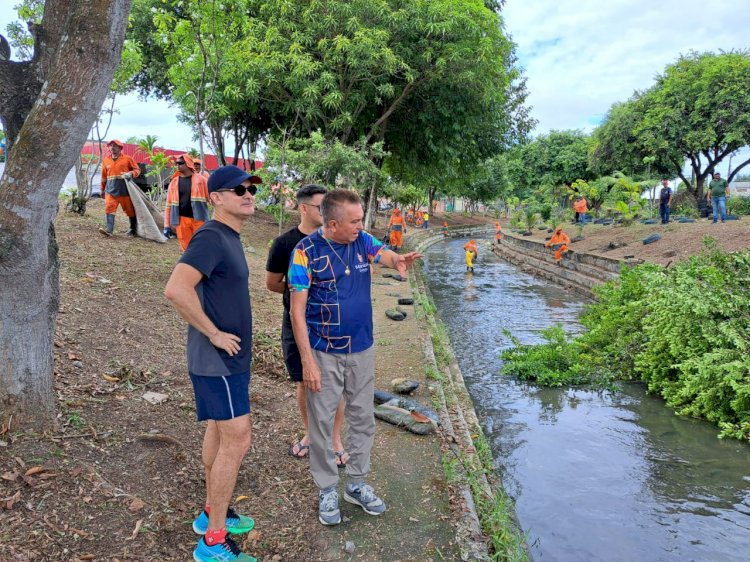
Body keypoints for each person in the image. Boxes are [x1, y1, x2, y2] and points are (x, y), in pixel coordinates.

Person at [287, 189, 421, 527]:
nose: (361, 226)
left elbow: (384, 254)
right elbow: (296, 312)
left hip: (361, 348)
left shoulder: (362, 241)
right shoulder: (305, 253)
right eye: (355, 221)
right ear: (332, 224)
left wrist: (398, 260)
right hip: (324, 350)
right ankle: (328, 488)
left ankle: (357, 484)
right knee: (320, 423)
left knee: (363, 418)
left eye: (361, 220)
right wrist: (307, 360)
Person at [164, 165, 262, 562]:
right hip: (217, 360)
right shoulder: (210, 237)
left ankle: (210, 514)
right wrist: (215, 334)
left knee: (221, 434)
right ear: (217, 198)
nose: (248, 194)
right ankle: (212, 543)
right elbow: (175, 289)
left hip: (229, 360)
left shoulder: (229, 236)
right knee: (239, 438)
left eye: (251, 188)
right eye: (238, 190)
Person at [265, 184, 348, 467]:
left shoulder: (339, 239)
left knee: (335, 383)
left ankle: (335, 439)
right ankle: (311, 434)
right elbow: (273, 283)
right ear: (303, 208)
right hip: (297, 323)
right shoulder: (284, 244)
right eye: (319, 207)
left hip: (334, 324)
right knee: (304, 380)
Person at [164, 154, 210, 251]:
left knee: (202, 246)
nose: (177, 165)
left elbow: (213, 198)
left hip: (200, 220)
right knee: (187, 248)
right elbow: (168, 205)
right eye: (176, 163)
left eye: (180, 163)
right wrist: (167, 225)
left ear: (188, 163)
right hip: (181, 221)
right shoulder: (174, 182)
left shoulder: (201, 180)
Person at [99, 139, 141, 237]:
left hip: (125, 189)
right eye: (111, 146)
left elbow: (137, 170)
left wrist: (130, 173)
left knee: (129, 210)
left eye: (115, 146)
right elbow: (104, 177)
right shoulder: (105, 160)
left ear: (120, 148)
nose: (112, 147)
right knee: (109, 208)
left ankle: (133, 229)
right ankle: (109, 231)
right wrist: (102, 189)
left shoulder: (128, 159)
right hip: (110, 189)